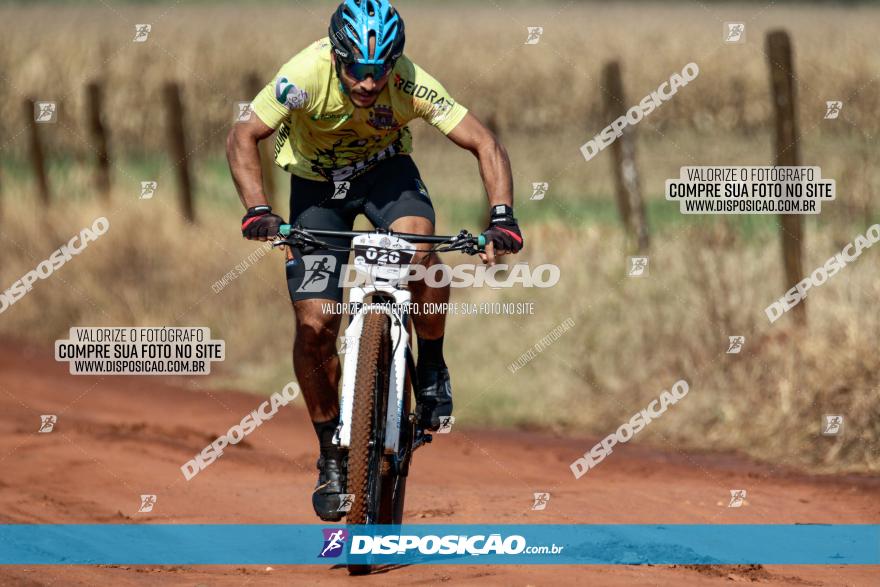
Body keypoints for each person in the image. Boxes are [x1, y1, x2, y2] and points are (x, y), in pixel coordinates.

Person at [226, 0, 523, 521]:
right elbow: (242, 135)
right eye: (356, 70)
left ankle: (430, 367)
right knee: (316, 325)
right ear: (336, 57)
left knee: (422, 257)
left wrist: (503, 216)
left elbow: (484, 143)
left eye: (379, 70)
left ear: (395, 62)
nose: (368, 83)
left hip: (388, 178)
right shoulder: (303, 76)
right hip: (318, 194)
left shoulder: (408, 81)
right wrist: (257, 210)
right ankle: (331, 454)